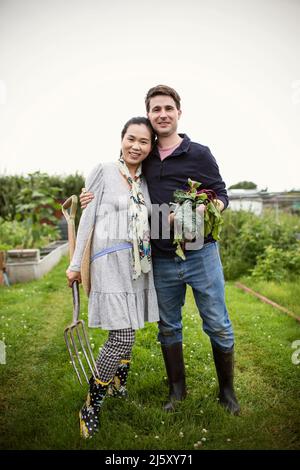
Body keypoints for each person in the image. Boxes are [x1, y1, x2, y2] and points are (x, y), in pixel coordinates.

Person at [80, 85, 240, 416]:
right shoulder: (146, 156)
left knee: (218, 323)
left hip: (200, 251)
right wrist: (87, 197)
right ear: (150, 116)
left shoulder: (199, 153)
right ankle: (176, 392)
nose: (163, 114)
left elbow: (222, 194)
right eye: (156, 109)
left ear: (179, 112)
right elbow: (121, 181)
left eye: (168, 108)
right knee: (169, 326)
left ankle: (227, 393)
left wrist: (206, 208)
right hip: (162, 257)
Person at [66, 116, 160, 439]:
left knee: (130, 332)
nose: (136, 146)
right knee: (121, 336)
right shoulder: (103, 171)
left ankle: (119, 384)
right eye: (131, 139)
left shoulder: (146, 181)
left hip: (136, 265)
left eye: (143, 142)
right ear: (121, 139)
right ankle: (91, 404)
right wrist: (76, 264)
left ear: (150, 147)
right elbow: (86, 219)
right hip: (107, 262)